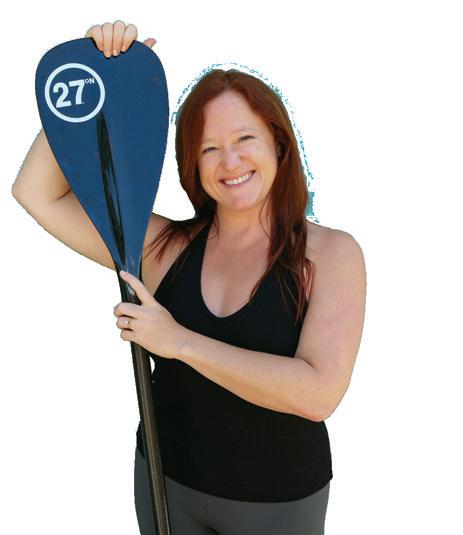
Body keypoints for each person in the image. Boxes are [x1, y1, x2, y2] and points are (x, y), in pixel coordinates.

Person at [12, 20, 366, 535]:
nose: (230, 161)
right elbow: (35, 192)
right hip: (165, 484)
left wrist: (179, 342)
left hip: (277, 504)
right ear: (192, 165)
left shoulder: (331, 254)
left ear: (278, 144)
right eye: (208, 148)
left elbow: (317, 394)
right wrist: (94, 82)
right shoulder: (163, 248)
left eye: (245, 138)